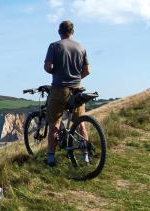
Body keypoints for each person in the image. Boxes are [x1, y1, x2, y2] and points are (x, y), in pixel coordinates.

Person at [43, 20, 90, 166]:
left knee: (54, 124)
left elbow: (47, 66)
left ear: (59, 31)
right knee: (81, 124)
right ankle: (86, 155)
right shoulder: (81, 47)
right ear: (72, 32)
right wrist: (75, 78)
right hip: (76, 90)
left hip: (59, 89)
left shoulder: (54, 46)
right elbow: (87, 71)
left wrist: (55, 72)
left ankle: (51, 157)